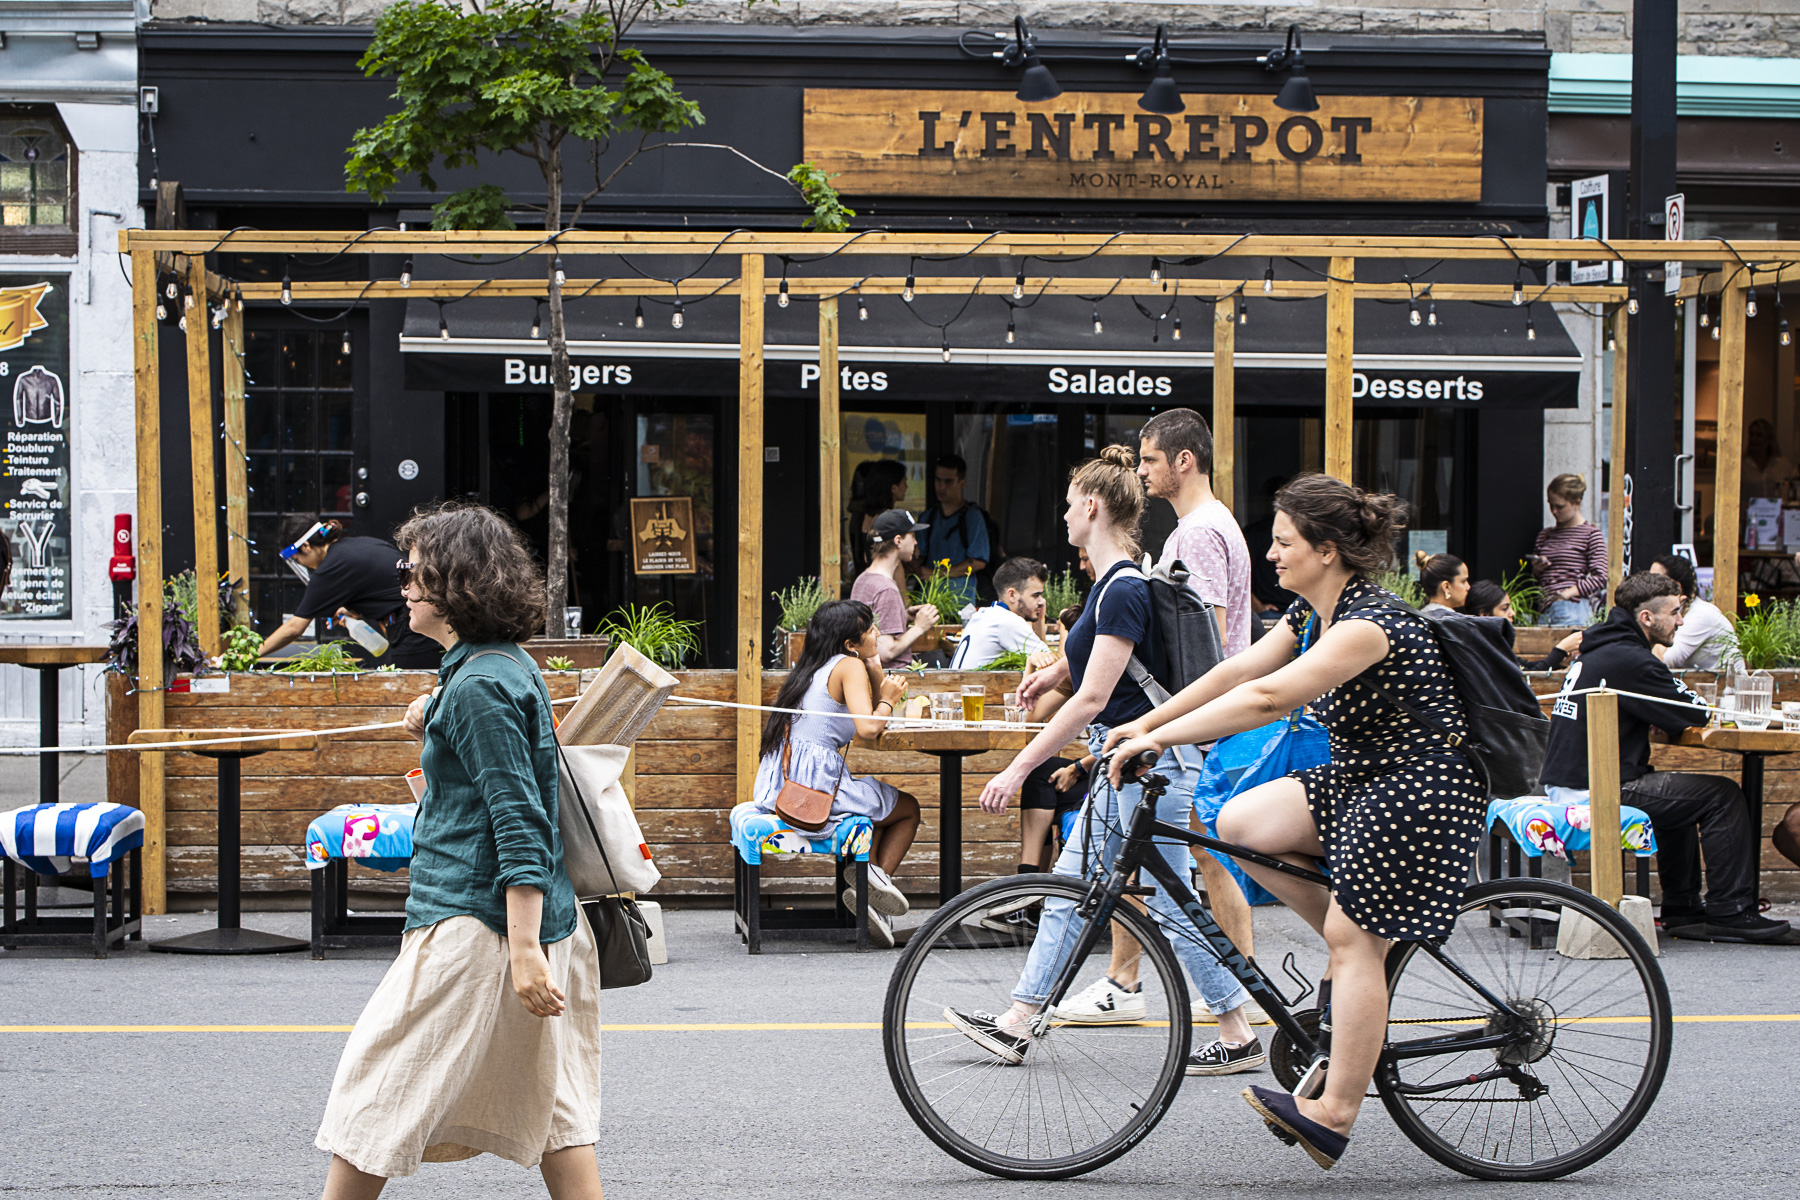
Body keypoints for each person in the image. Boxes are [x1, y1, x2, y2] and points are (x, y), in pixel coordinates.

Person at [1103, 471, 1488, 1169]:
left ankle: (1334, 1111)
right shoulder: (1313, 615)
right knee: (1241, 821)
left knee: (1351, 938)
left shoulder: (1369, 627)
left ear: (1328, 550)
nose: (1272, 554)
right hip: (1364, 775)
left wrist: (1158, 741)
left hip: (1422, 787)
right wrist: (1143, 724)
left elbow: (1268, 699)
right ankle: (1364, 951)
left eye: (1283, 542)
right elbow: (1236, 672)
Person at [942, 446, 1261, 1079]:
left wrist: (1015, 767)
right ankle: (1019, 1021)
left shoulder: (1121, 588)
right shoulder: (1115, 584)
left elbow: (1094, 696)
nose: (1062, 516)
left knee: (1152, 900)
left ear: (1091, 507)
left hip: (1147, 767)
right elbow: (1097, 671)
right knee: (1074, 891)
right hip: (1129, 762)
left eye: (1067, 505)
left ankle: (1235, 1027)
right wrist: (1054, 672)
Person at [316, 503, 602, 1198]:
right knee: (557, 1112)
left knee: (376, 1095)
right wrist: (433, 706)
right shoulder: (493, 667)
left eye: (416, 571)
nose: (403, 584)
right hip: (526, 921)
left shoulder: (477, 684)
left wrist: (524, 947)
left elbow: (519, 820)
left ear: (458, 585)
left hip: (477, 925)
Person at [1051, 407, 1267, 1029]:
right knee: (1162, 851)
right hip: (1192, 721)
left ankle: (1229, 985)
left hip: (1193, 723)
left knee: (1190, 854)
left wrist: (1163, 726)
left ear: (1183, 461)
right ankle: (1150, 980)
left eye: (1149, 460)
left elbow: (1202, 642)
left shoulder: (1195, 534)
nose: (1141, 471)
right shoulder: (1204, 525)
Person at [1540, 571, 1791, 943]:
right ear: (1647, 618)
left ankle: (1684, 909)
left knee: (1682, 795)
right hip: (1596, 790)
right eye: (1674, 612)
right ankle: (1732, 911)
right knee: (1721, 795)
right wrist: (1672, 710)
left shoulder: (1603, 651)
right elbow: (1695, 711)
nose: (1681, 621)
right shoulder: (1631, 659)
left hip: (1572, 781)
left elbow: (1660, 706)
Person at [752, 599, 922, 948]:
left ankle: (871, 892)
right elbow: (870, 727)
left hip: (781, 783)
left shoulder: (814, 666)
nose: (878, 632)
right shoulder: (847, 666)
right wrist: (889, 696)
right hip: (814, 788)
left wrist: (875, 668)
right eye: (871, 628)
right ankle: (874, 882)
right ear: (849, 643)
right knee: (907, 808)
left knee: (872, 807)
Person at [261, 516, 443, 669]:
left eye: (297, 558)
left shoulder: (330, 566)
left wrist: (252, 653)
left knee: (406, 693)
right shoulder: (352, 546)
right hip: (428, 622)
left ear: (306, 547)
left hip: (415, 630)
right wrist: (358, 610)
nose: (301, 563)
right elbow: (383, 589)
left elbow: (294, 628)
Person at [849, 510, 939, 669]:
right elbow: (886, 651)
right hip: (895, 681)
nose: (916, 543)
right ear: (898, 540)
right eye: (912, 536)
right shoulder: (886, 589)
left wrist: (903, 616)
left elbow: (874, 628)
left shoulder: (862, 580)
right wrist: (919, 627)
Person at [919, 454, 992, 613]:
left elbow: (978, 562)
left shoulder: (973, 517)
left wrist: (936, 575)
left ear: (962, 483)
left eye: (948, 481)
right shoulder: (928, 517)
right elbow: (917, 558)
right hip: (928, 603)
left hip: (962, 605)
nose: (941, 487)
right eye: (938, 480)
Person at [1529, 474, 1607, 625]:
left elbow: (1601, 577)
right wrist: (1538, 570)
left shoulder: (1590, 534)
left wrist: (1568, 593)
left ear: (1577, 502)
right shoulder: (1545, 535)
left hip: (1573, 606)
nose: (1554, 511)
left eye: (1560, 506)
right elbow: (1535, 580)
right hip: (1544, 609)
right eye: (1551, 505)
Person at [951, 557, 1048, 669]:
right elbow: (1054, 668)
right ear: (1012, 595)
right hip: (975, 686)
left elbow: (1042, 661)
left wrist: (1039, 620)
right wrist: (1064, 628)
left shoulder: (985, 615)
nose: (1042, 601)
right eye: (1035, 595)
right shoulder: (1008, 621)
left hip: (960, 685)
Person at [1462, 580, 1582, 670]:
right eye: (1504, 609)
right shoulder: (1483, 651)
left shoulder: (1491, 644)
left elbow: (1525, 666)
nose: (1512, 613)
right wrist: (1561, 650)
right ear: (1484, 615)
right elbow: (1525, 676)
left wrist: (1559, 661)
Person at [1649, 554, 1733, 671]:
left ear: (1676, 587)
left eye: (1655, 580)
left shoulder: (1701, 614)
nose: (1648, 586)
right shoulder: (1681, 611)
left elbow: (1662, 661)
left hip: (1724, 686)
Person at [847, 459, 909, 579]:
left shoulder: (862, 515)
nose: (906, 487)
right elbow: (893, 562)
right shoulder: (886, 520)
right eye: (904, 482)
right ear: (894, 488)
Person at [1742, 418, 1796, 499]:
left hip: (1776, 510)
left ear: (1768, 439)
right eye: (1751, 434)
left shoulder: (1783, 464)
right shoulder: (1742, 465)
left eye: (1759, 435)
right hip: (1748, 510)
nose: (1754, 438)